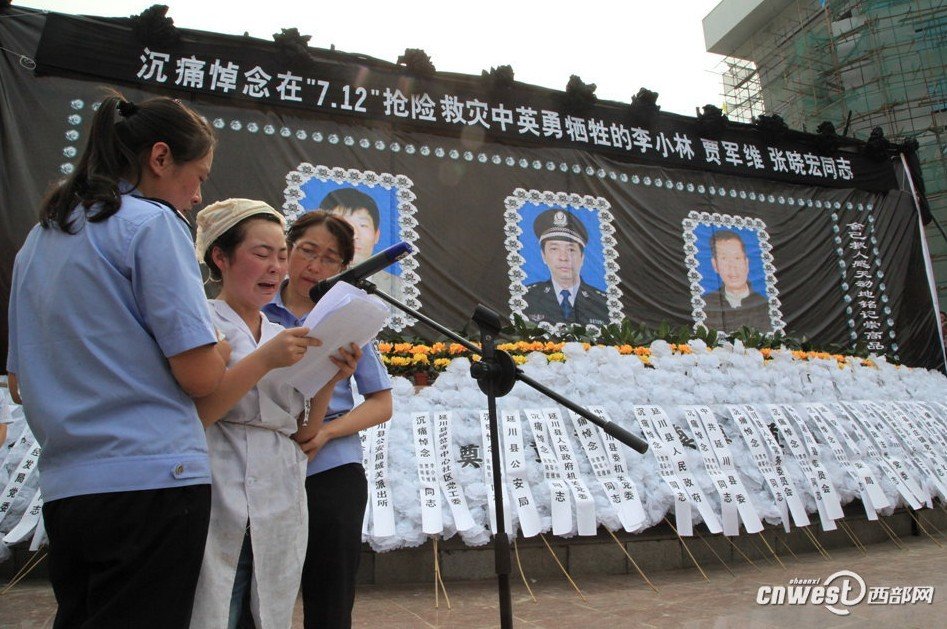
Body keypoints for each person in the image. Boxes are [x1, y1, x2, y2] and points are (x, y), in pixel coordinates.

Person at [6, 91, 228, 627]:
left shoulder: (40, 238)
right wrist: (221, 347)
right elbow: (199, 375)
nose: (197, 195)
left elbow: (17, 382)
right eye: (196, 176)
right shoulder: (152, 223)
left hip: (68, 487)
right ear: (159, 158)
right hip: (152, 481)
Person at [189, 199, 359, 628]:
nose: (275, 267)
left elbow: (304, 432)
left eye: (281, 256)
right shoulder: (201, 324)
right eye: (261, 254)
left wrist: (330, 379)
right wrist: (264, 361)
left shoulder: (285, 335)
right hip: (219, 481)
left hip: (281, 488)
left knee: (269, 609)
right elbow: (199, 414)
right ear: (221, 257)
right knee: (215, 605)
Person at [263, 210, 393, 629]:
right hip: (262, 460)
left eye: (330, 260)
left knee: (331, 598)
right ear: (288, 250)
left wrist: (327, 432)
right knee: (258, 591)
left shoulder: (348, 319)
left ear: (342, 269)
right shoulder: (257, 307)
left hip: (331, 465)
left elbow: (381, 402)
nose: (314, 268)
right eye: (307, 252)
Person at [522, 208, 609, 326]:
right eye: (554, 249)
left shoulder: (603, 303)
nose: (563, 257)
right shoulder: (526, 298)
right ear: (543, 255)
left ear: (582, 257)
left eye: (571, 249)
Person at [319, 188, 404, 301]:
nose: (354, 235)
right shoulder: (309, 277)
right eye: (343, 226)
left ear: (376, 235)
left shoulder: (399, 288)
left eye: (363, 225)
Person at [701, 230, 772, 332]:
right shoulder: (705, 305)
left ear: (746, 263)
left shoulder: (765, 306)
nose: (732, 267)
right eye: (724, 259)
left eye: (737, 258)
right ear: (715, 265)